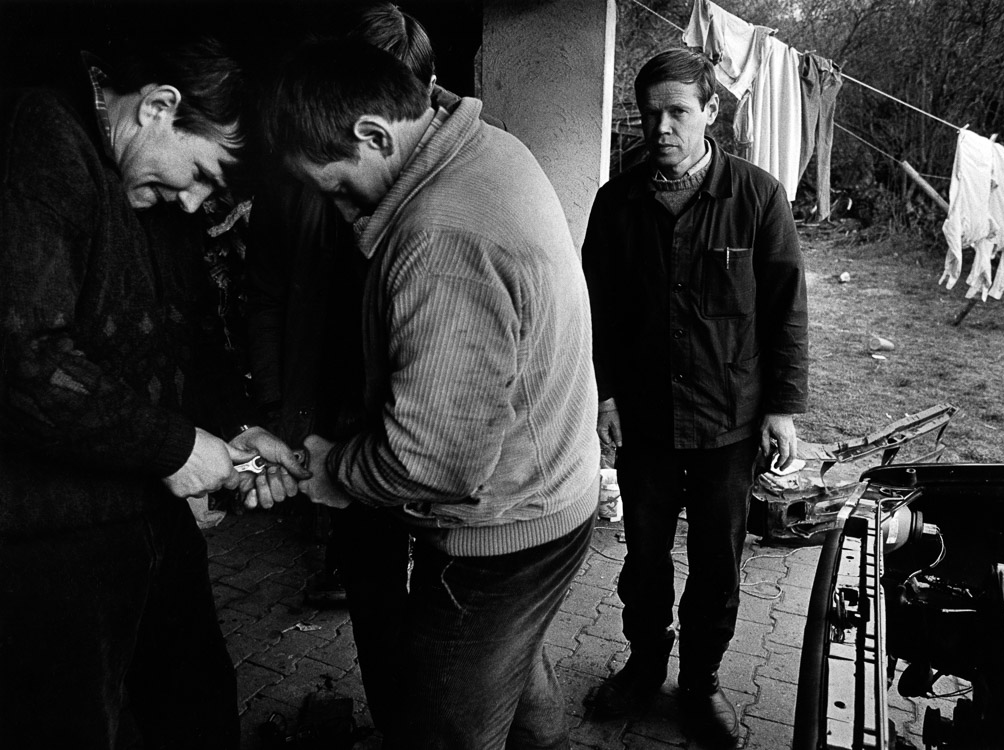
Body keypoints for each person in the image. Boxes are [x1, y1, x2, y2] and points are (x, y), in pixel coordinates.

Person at [261, 37, 600, 749]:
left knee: (442, 726)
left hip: (499, 539)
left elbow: (434, 462)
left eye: (337, 185)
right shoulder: (491, 146)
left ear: (375, 134)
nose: (344, 210)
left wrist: (332, 472)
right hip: (556, 498)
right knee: (515, 671)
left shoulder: (439, 235)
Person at [0, 36, 307, 749]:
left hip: (145, 519)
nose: (197, 201)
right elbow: (21, 358)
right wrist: (176, 448)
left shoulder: (148, 193)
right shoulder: (40, 136)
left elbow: (186, 334)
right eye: (199, 174)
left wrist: (232, 427)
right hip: (49, 544)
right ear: (160, 108)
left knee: (197, 708)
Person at [581, 48, 809, 747]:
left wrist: (781, 406)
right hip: (646, 422)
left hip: (728, 423)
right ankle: (644, 669)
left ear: (711, 112)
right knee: (643, 561)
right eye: (650, 114)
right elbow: (596, 310)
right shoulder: (615, 203)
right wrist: (605, 395)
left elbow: (785, 308)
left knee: (718, 565)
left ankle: (701, 684)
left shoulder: (758, 196)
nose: (662, 128)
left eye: (679, 111)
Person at [244, 2, 442, 734]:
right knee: (374, 591)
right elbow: (264, 294)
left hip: (426, 414)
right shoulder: (294, 177)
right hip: (339, 413)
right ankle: (397, 721)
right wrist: (281, 405)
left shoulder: (450, 177)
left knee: (463, 600)